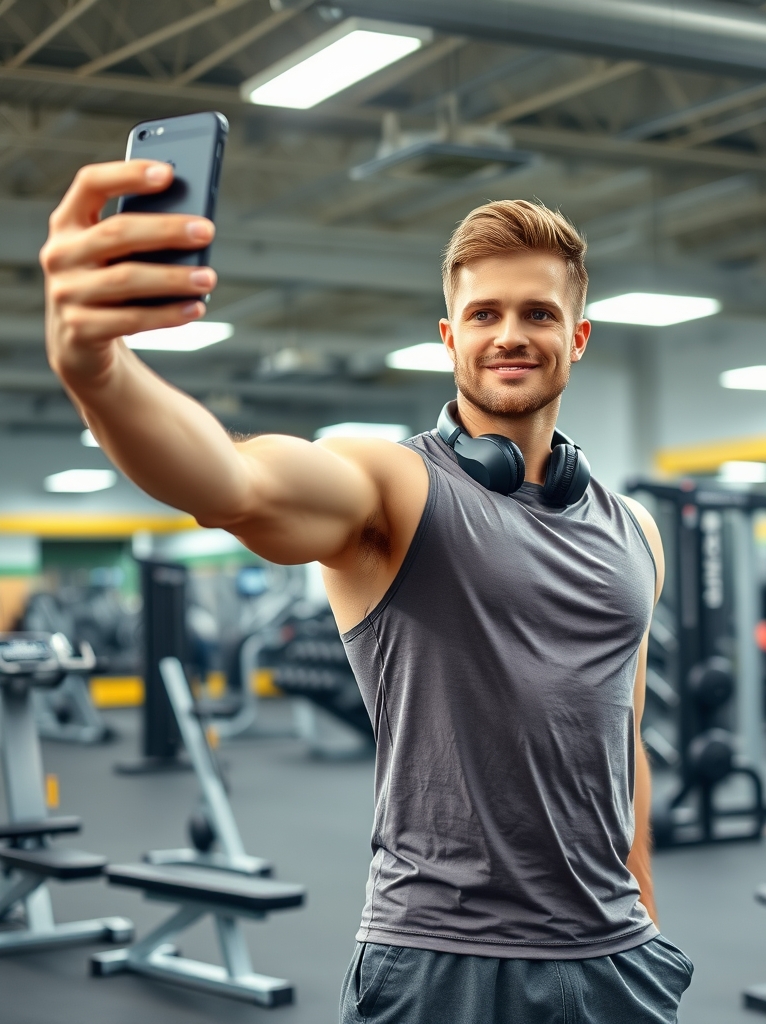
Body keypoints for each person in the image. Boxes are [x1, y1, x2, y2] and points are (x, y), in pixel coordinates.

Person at [41, 159, 693, 1023]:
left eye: (539, 313)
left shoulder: (634, 532)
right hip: (440, 960)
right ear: (448, 336)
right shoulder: (395, 487)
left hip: (615, 961)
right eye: (483, 314)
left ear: (576, 336)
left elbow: (625, 739)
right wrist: (97, 370)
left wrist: (641, 920)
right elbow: (233, 483)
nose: (510, 334)